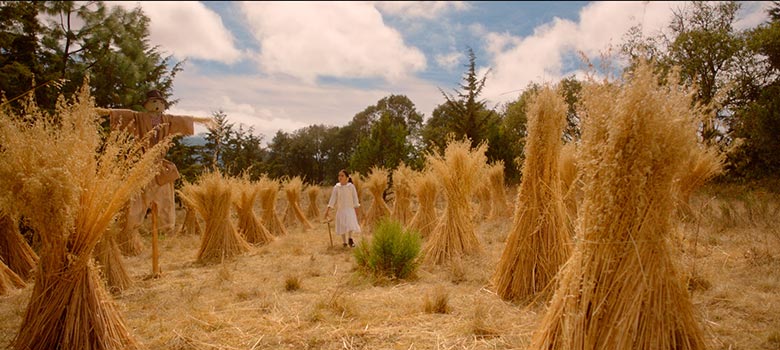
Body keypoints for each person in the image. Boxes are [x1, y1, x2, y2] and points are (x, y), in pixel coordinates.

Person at [96, 90, 211, 254]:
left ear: (163, 106)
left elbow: (186, 120)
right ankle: (129, 232)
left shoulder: (168, 120)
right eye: (153, 102)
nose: (157, 105)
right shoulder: (138, 118)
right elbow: (120, 115)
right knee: (136, 201)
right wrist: (104, 112)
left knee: (164, 200)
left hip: (161, 169)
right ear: (146, 105)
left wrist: (202, 120)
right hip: (142, 167)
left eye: (160, 102)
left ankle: (166, 227)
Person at [323, 169, 362, 248]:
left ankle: (350, 239)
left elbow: (355, 198)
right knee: (342, 226)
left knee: (350, 224)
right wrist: (327, 211)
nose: (340, 177)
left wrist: (357, 209)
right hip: (341, 210)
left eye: (342, 175)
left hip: (350, 209)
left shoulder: (351, 187)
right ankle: (344, 242)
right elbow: (332, 199)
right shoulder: (337, 187)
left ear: (347, 177)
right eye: (339, 175)